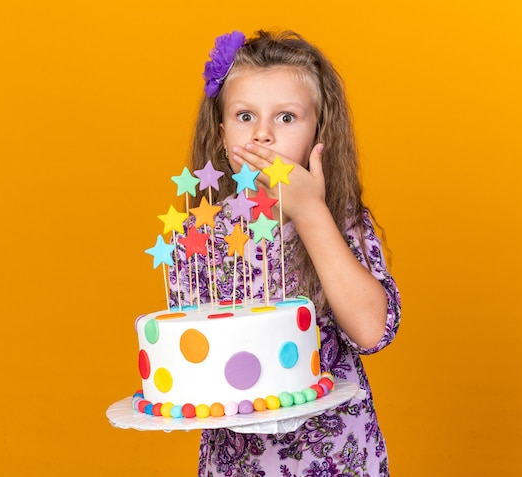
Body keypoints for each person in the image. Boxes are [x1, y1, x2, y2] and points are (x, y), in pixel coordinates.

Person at [169, 29, 401, 477]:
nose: (263, 134)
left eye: (286, 118)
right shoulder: (201, 239)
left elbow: (373, 330)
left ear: (319, 131)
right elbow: (192, 361)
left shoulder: (340, 221)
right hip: (236, 462)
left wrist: (310, 211)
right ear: (221, 135)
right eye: (244, 116)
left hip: (338, 457)